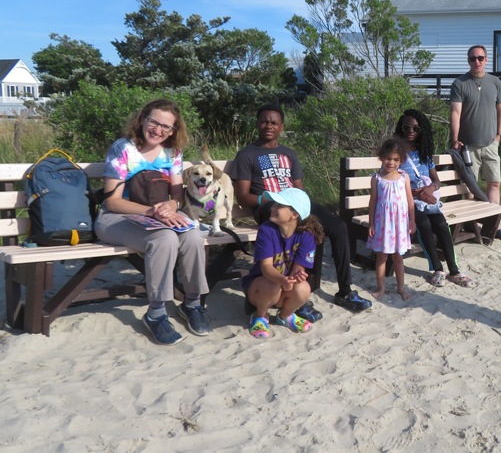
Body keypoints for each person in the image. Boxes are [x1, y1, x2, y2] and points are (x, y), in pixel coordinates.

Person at [231, 104, 373, 315]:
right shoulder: (247, 154)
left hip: (295, 203)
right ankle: (301, 298)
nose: (268, 125)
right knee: (304, 229)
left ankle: (344, 290)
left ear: (281, 127)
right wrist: (267, 198)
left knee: (338, 226)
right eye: (264, 121)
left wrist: (303, 206)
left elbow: (299, 188)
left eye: (274, 122)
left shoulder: (289, 153)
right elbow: (242, 195)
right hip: (269, 206)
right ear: (257, 124)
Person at [95, 99, 210, 346]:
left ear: (173, 130)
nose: (158, 130)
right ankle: (156, 312)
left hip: (155, 217)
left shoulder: (173, 152)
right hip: (116, 219)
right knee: (165, 238)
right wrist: (152, 211)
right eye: (154, 122)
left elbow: (177, 193)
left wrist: (172, 205)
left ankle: (192, 304)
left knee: (192, 235)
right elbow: (112, 202)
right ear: (143, 119)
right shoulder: (123, 148)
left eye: (166, 127)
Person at [395, 109, 476, 288]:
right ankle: (437, 268)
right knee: (423, 223)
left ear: (421, 131)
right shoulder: (396, 153)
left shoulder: (424, 153)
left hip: (426, 199)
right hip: (405, 201)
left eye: (416, 129)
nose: (411, 131)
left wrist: (430, 189)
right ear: (401, 129)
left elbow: (436, 180)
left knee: (440, 223)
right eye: (406, 127)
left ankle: (454, 271)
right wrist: (419, 193)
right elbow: (393, 183)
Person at [449, 44, 501, 243]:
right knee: (470, 188)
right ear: (468, 60)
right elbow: (456, 113)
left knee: (494, 183)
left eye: (480, 58)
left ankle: (494, 227)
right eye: (472, 58)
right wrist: (455, 138)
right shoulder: (460, 83)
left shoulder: (494, 82)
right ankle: (472, 228)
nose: (477, 61)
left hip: (491, 144)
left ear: (486, 60)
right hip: (468, 146)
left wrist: (498, 136)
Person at [243, 187, 324, 338]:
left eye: (279, 206)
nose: (273, 208)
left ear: (295, 214)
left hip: (283, 289)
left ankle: (285, 316)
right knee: (271, 283)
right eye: (274, 204)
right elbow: (266, 267)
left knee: (304, 288)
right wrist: (282, 280)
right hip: (260, 289)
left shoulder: (306, 235)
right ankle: (260, 316)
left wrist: (296, 276)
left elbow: (298, 267)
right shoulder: (267, 229)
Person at [367, 138, 415, 300]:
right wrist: (371, 223)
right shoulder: (376, 178)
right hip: (383, 223)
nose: (391, 162)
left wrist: (412, 221)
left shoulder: (404, 177)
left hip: (400, 223)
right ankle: (381, 288)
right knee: (381, 256)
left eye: (396, 159)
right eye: (388, 158)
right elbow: (373, 200)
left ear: (401, 160)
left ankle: (401, 288)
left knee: (398, 256)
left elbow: (410, 200)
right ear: (381, 157)